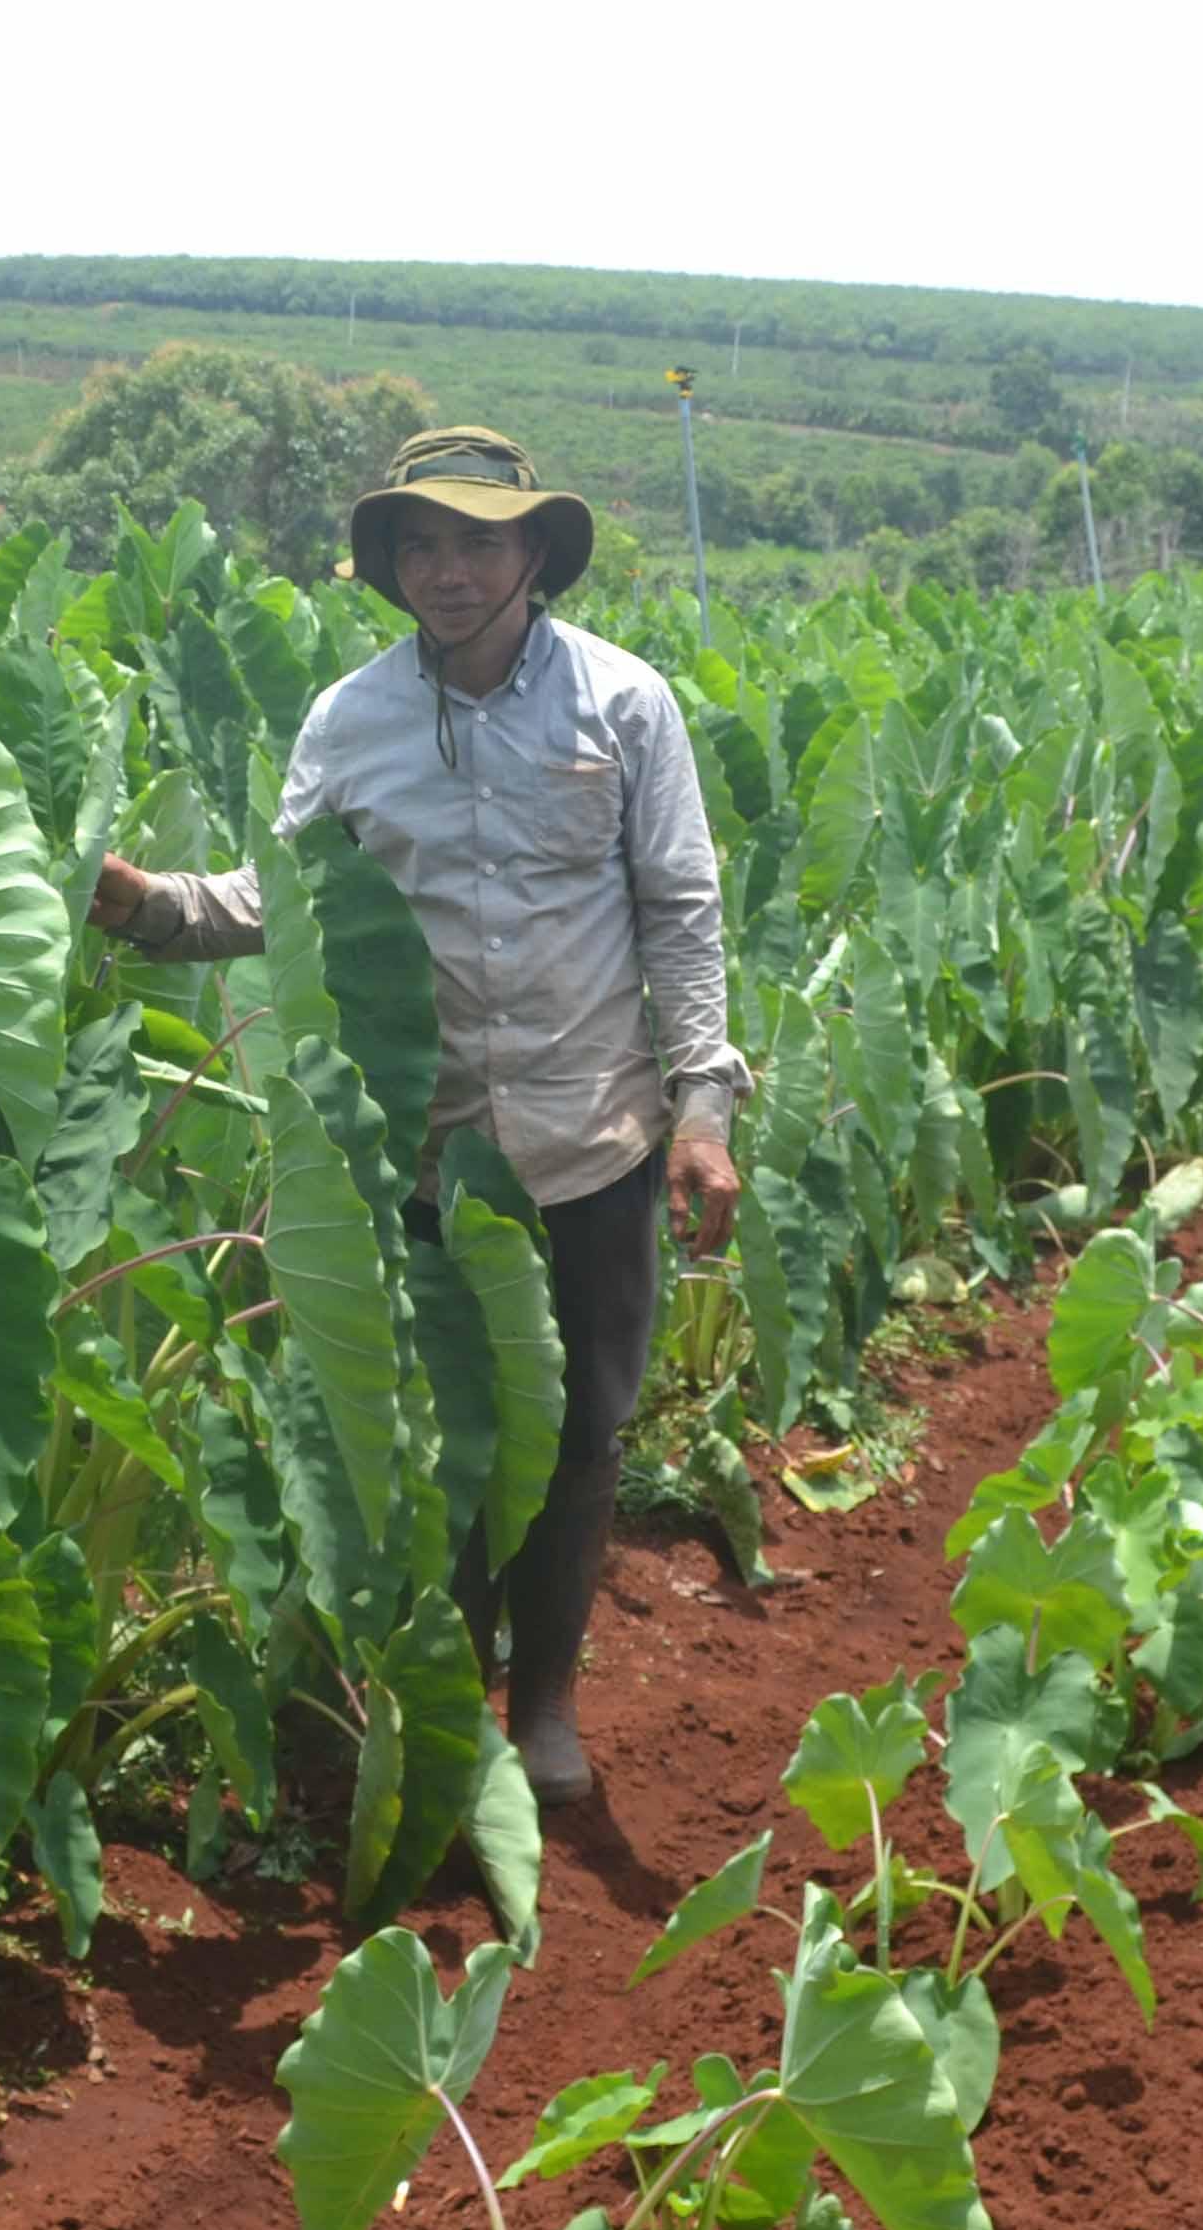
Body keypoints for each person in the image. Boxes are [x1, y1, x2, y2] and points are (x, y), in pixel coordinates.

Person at [90, 423, 746, 1808]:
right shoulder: (352, 721)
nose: (449, 572)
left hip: (589, 1142)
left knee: (579, 1436)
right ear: (391, 564)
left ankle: (548, 1706)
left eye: (479, 543)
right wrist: (159, 910)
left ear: (532, 556)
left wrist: (703, 1106)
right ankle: (447, 1711)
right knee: (446, 1436)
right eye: (422, 545)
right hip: (420, 1144)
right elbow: (297, 899)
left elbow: (679, 910)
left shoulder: (624, 707)